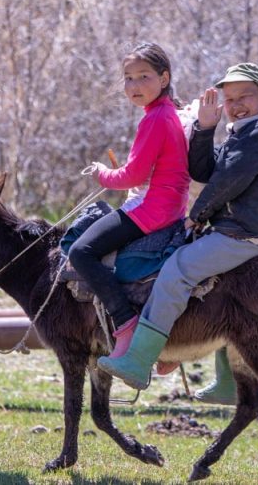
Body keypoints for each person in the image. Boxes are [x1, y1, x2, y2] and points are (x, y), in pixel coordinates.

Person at [97, 62, 258, 399]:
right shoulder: (242, 131)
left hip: (244, 233)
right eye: (230, 99)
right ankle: (223, 380)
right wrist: (204, 129)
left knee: (178, 270)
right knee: (202, 279)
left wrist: (198, 215)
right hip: (236, 228)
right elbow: (205, 171)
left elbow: (229, 180)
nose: (237, 104)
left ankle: (140, 360)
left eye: (246, 96)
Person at [68, 42, 191, 358]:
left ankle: (125, 323)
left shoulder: (154, 119)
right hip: (170, 207)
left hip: (151, 209)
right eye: (128, 78)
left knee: (82, 252)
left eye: (143, 76)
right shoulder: (166, 113)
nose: (134, 85)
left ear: (164, 79)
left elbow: (133, 177)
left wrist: (101, 174)